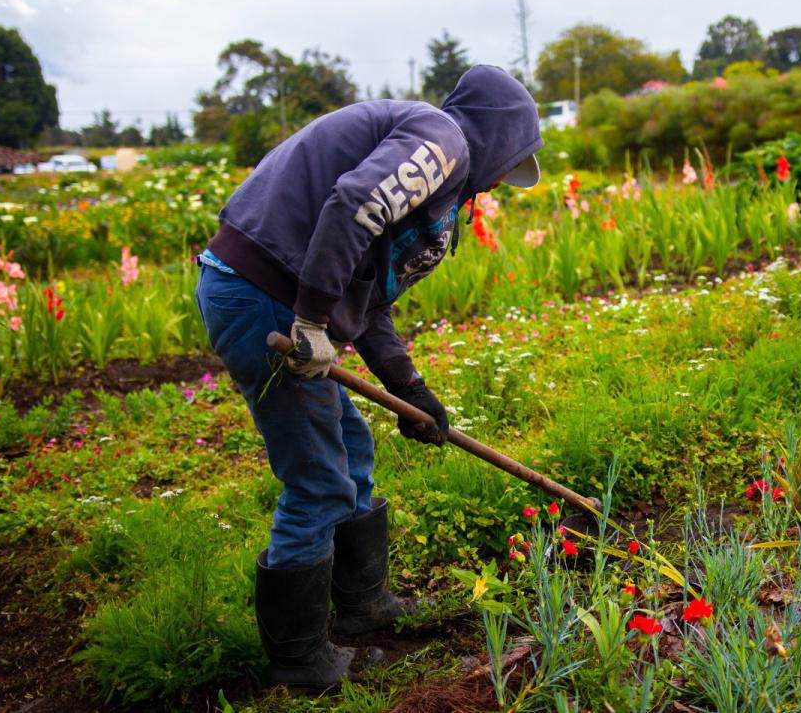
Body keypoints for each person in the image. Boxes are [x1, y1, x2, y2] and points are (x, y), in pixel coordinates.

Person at [194, 65, 543, 688]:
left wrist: (410, 390)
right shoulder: (444, 141)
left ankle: (361, 606)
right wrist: (309, 319)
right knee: (319, 480)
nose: (496, 184)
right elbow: (352, 203)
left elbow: (368, 300)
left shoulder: (435, 167)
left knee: (350, 448)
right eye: (508, 162)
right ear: (498, 136)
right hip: (266, 296)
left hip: (269, 293)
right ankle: (298, 662)